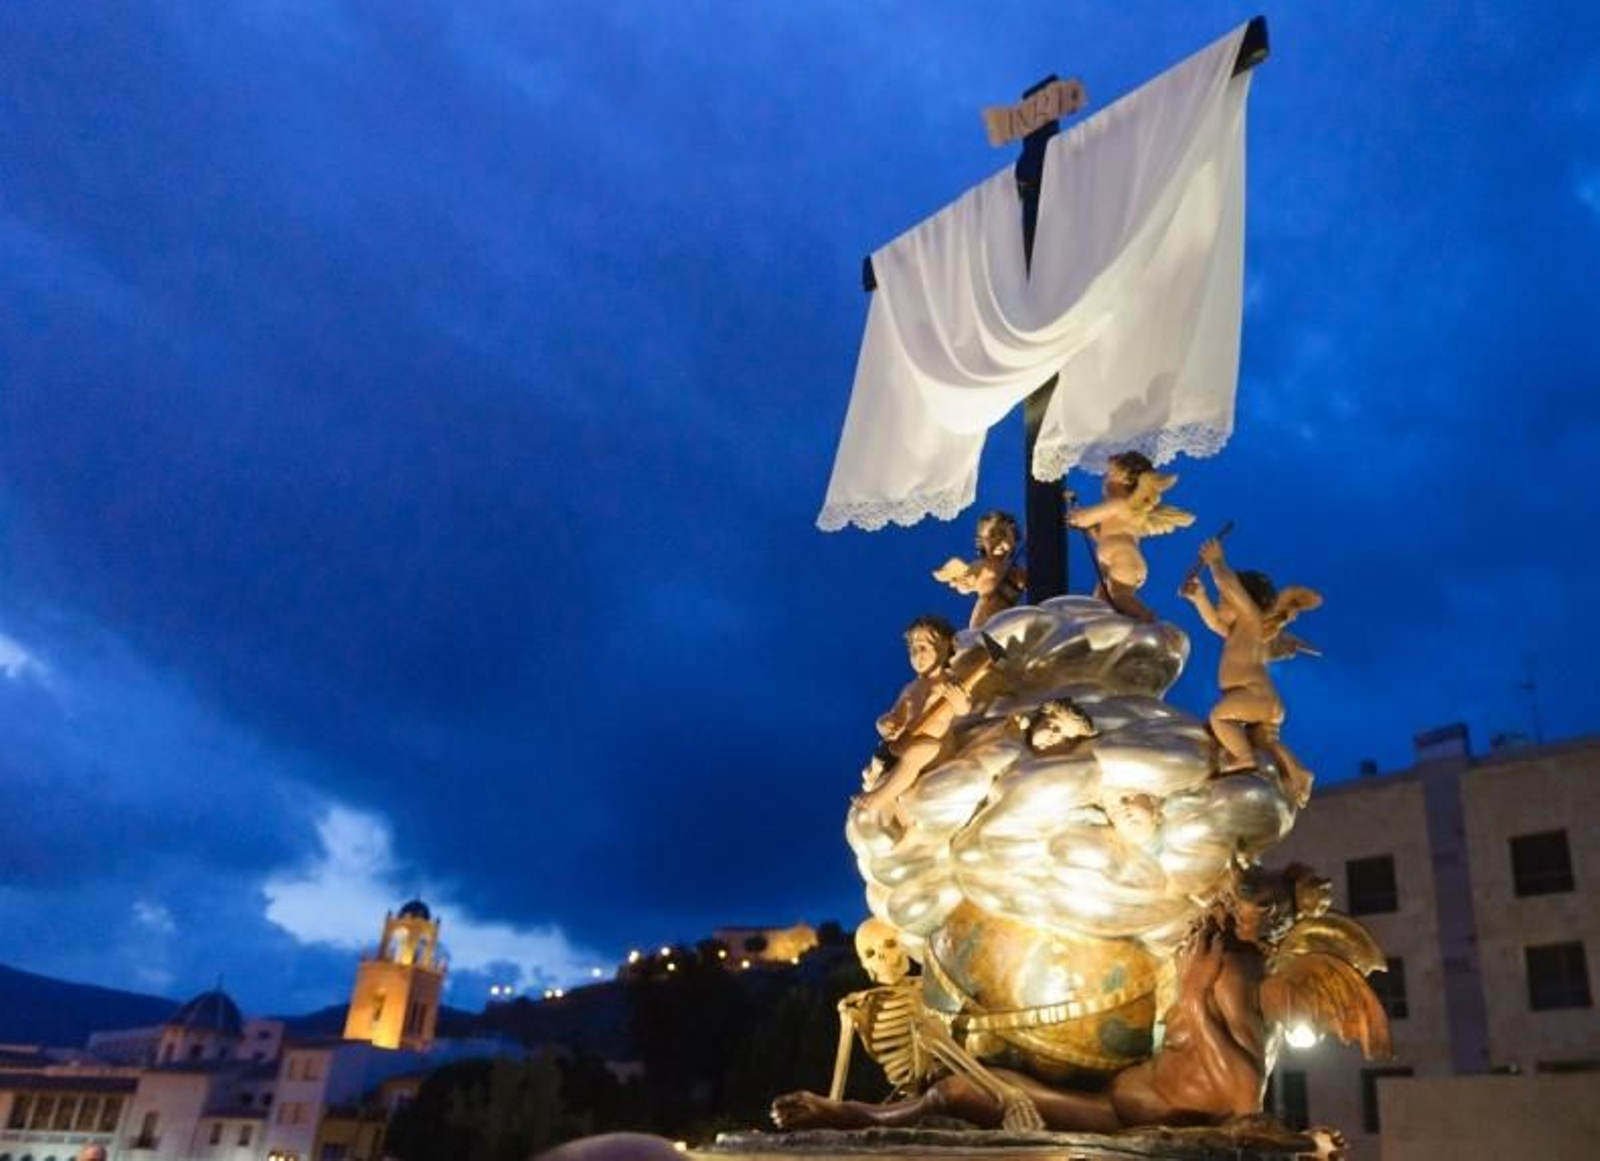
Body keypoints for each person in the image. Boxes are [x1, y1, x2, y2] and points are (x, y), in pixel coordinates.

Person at [1180, 538, 1321, 807]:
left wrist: (1216, 561)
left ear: (1243, 602)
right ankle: (1298, 773)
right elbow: (1212, 622)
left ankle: (1243, 758)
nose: (1220, 605)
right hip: (1260, 700)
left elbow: (1230, 586)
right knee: (1264, 743)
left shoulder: (1250, 620)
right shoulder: (1237, 632)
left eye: (1223, 601)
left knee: (1219, 717)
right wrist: (1199, 597)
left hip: (1256, 696)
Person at [857, 616, 968, 831]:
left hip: (937, 749)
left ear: (944, 647)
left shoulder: (950, 683)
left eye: (924, 648)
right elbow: (894, 715)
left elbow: (965, 710)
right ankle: (893, 805)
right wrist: (884, 723)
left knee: (923, 749)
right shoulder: (910, 689)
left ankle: (879, 797)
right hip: (905, 744)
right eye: (913, 650)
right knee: (902, 755)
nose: (917, 656)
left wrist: (959, 701)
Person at [1066, 451, 1193, 621]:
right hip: (1118, 565)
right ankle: (1106, 633)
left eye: (1109, 476)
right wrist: (1089, 529)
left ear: (1125, 480)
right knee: (1099, 605)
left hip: (1124, 561)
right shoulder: (1120, 513)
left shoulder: (1121, 505)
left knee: (1120, 598)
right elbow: (1102, 536)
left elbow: (1085, 518)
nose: (1103, 482)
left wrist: (1079, 518)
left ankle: (1149, 622)